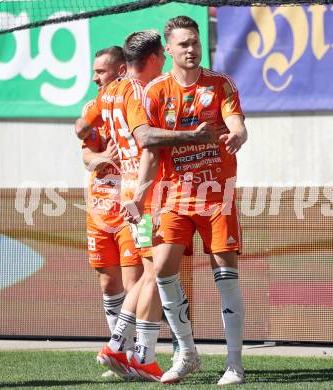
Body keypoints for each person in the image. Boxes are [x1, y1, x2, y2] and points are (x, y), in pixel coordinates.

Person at [76, 29, 226, 382]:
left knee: (150, 273)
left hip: (127, 188)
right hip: (147, 190)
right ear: (157, 57)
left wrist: (100, 152)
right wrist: (196, 137)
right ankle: (124, 348)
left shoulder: (109, 92)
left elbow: (83, 127)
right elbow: (147, 143)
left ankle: (135, 353)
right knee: (152, 273)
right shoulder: (140, 91)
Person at [131, 16, 248, 385]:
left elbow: (237, 122)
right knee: (163, 269)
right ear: (168, 50)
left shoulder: (219, 84)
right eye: (183, 44)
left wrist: (239, 135)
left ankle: (234, 364)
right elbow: (150, 149)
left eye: (195, 42)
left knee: (224, 275)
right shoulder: (155, 92)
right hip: (173, 196)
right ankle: (187, 353)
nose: (191, 49)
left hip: (216, 195)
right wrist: (138, 196)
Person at [79, 46, 143, 378]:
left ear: (119, 71)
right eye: (94, 72)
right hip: (99, 210)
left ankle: (131, 353)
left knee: (135, 282)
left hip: (129, 209)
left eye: (100, 72)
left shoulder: (134, 100)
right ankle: (121, 354)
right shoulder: (92, 109)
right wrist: (102, 156)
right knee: (108, 283)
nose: (94, 78)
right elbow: (86, 155)